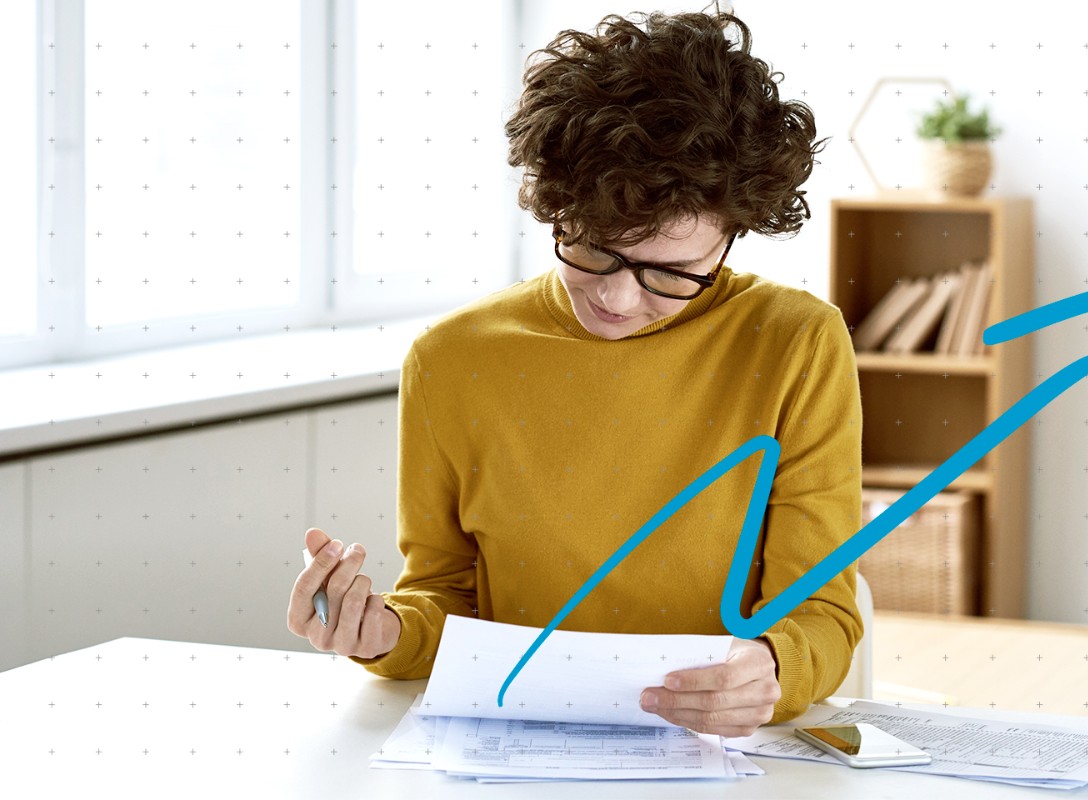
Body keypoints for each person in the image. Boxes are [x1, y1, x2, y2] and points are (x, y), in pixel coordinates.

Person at [287, 8, 863, 738]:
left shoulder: (796, 342)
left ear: (733, 233)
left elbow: (822, 615)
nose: (618, 299)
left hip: (717, 755)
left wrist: (775, 668)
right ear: (555, 204)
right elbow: (443, 601)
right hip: (508, 749)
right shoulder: (452, 359)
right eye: (593, 249)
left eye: (672, 272)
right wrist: (381, 636)